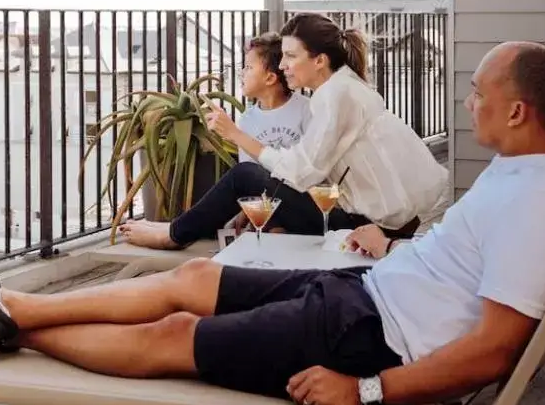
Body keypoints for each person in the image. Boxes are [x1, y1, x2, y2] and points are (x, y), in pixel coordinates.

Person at [0, 41, 545, 405]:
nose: (468, 101)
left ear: (517, 113)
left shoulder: (543, 200)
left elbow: (493, 351)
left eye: (480, 92)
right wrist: (397, 243)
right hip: (368, 288)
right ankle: (9, 310)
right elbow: (465, 262)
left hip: (371, 337)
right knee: (192, 276)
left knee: (174, 336)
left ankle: (7, 319)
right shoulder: (521, 173)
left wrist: (362, 391)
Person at [118, 13, 451, 250]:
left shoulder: (336, 96)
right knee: (256, 183)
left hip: (369, 225)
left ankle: (174, 234)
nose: (282, 65)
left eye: (291, 56)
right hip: (387, 217)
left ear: (319, 60)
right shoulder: (344, 88)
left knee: (244, 176)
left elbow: (301, 172)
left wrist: (235, 135)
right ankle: (184, 229)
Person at [232, 32, 310, 165]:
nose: (242, 73)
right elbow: (248, 172)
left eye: (248, 67)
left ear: (270, 78)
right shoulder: (247, 120)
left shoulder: (307, 110)